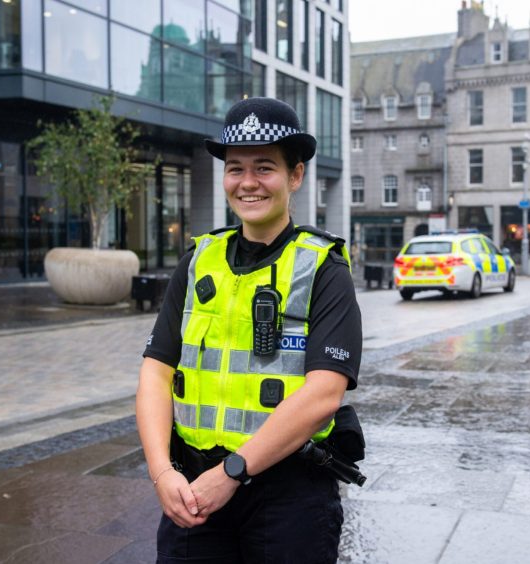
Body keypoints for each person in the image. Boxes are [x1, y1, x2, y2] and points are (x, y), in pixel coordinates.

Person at [136, 97, 362, 563]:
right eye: (235, 169)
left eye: (265, 167)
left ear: (295, 175)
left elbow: (324, 394)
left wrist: (232, 473)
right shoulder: (198, 259)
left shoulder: (323, 266)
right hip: (194, 491)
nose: (248, 183)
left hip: (288, 497)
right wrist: (162, 473)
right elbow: (156, 373)